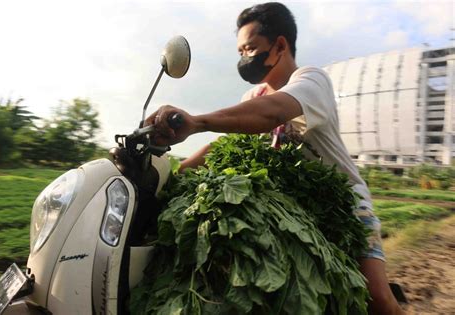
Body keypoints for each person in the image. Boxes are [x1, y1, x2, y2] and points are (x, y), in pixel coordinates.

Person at [146, 2, 404, 314]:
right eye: (240, 51)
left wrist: (197, 121)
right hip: (294, 210)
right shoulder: (251, 99)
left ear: (280, 45)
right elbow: (227, 145)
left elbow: (273, 113)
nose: (244, 58)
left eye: (250, 48)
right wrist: (176, 173)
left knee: (376, 298)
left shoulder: (311, 80)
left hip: (346, 203)